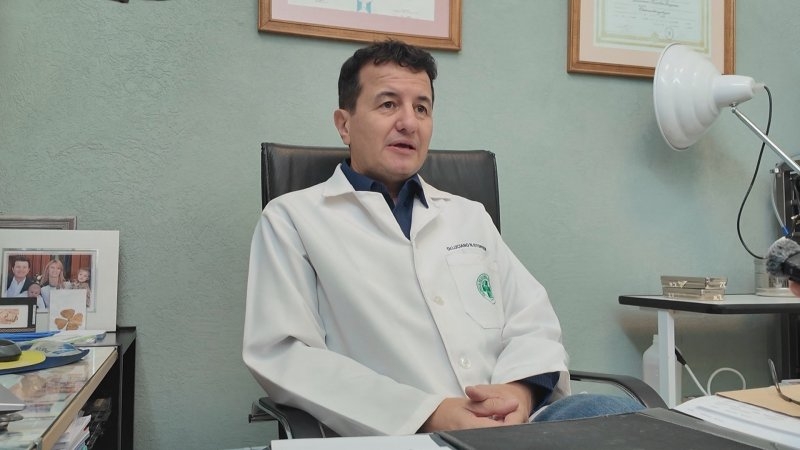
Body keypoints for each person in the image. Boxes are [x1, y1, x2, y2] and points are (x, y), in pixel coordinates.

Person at [243, 40, 642, 437]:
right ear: (344, 124)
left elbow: (532, 321)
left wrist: (518, 394)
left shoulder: (468, 215)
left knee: (624, 415)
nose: (409, 122)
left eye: (422, 108)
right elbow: (286, 356)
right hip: (402, 434)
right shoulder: (293, 218)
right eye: (388, 104)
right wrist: (433, 413)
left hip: (516, 427)